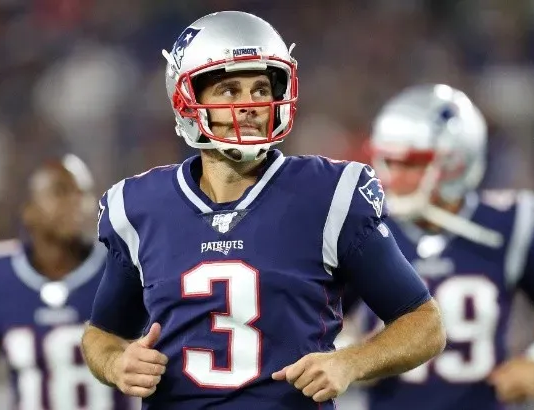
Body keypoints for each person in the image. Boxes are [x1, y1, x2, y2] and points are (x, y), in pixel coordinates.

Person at [81, 11, 446, 410]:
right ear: (188, 100)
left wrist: (350, 362)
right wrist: (117, 364)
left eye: (260, 89)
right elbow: (102, 334)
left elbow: (424, 323)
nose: (250, 105)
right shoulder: (139, 205)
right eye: (229, 90)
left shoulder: (329, 194)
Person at [345, 84, 534, 410]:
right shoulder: (367, 226)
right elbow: (319, 314)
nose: (391, 177)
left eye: (410, 164)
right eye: (387, 162)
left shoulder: (508, 223)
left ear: (456, 164)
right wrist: (350, 354)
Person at [0, 155, 133, 410]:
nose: (78, 203)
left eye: (83, 193)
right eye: (61, 192)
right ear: (29, 211)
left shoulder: (122, 267)